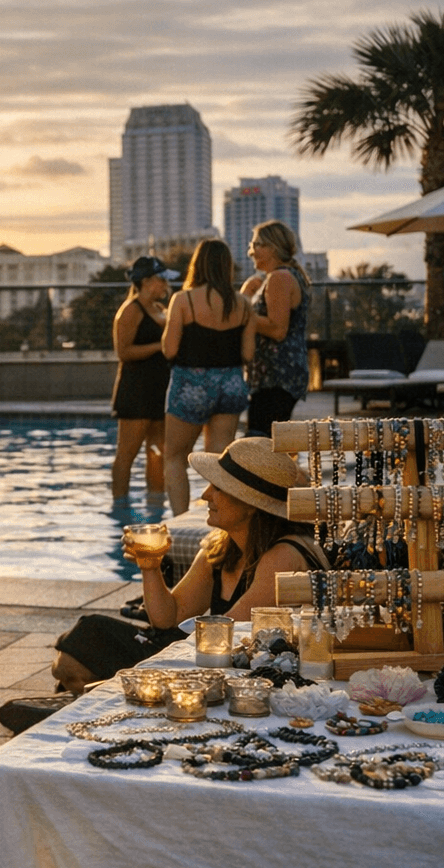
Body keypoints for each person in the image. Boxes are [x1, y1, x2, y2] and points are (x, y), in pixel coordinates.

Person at [51, 438, 326, 694]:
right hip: (212, 657)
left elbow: (222, 636)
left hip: (251, 672)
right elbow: (168, 617)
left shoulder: (285, 555)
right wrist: (151, 567)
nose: (206, 495)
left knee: (84, 649)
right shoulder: (222, 546)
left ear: (250, 503)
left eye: (218, 487)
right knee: (84, 640)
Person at [161, 239, 256, 516]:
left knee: (175, 457)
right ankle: (219, 520)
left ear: (197, 265)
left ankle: (179, 523)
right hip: (230, 385)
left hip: (192, 386)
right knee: (218, 461)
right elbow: (248, 354)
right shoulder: (244, 304)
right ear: (227, 266)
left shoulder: (183, 299)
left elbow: (169, 350)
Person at [110, 256, 171, 500]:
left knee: (158, 452)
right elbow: (123, 352)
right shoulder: (129, 310)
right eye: (162, 279)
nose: (166, 284)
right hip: (136, 391)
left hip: (159, 389)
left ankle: (156, 505)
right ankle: (119, 506)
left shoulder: (159, 309)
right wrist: (160, 346)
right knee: (127, 453)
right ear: (146, 281)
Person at [244, 220, 312, 436]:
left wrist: (242, 313)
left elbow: (277, 329)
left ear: (272, 247)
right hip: (274, 378)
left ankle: (295, 472)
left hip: (276, 378)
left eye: (256, 245)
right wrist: (246, 295)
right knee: (271, 446)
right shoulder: (284, 276)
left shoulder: (280, 278)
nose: (250, 252)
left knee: (258, 444)